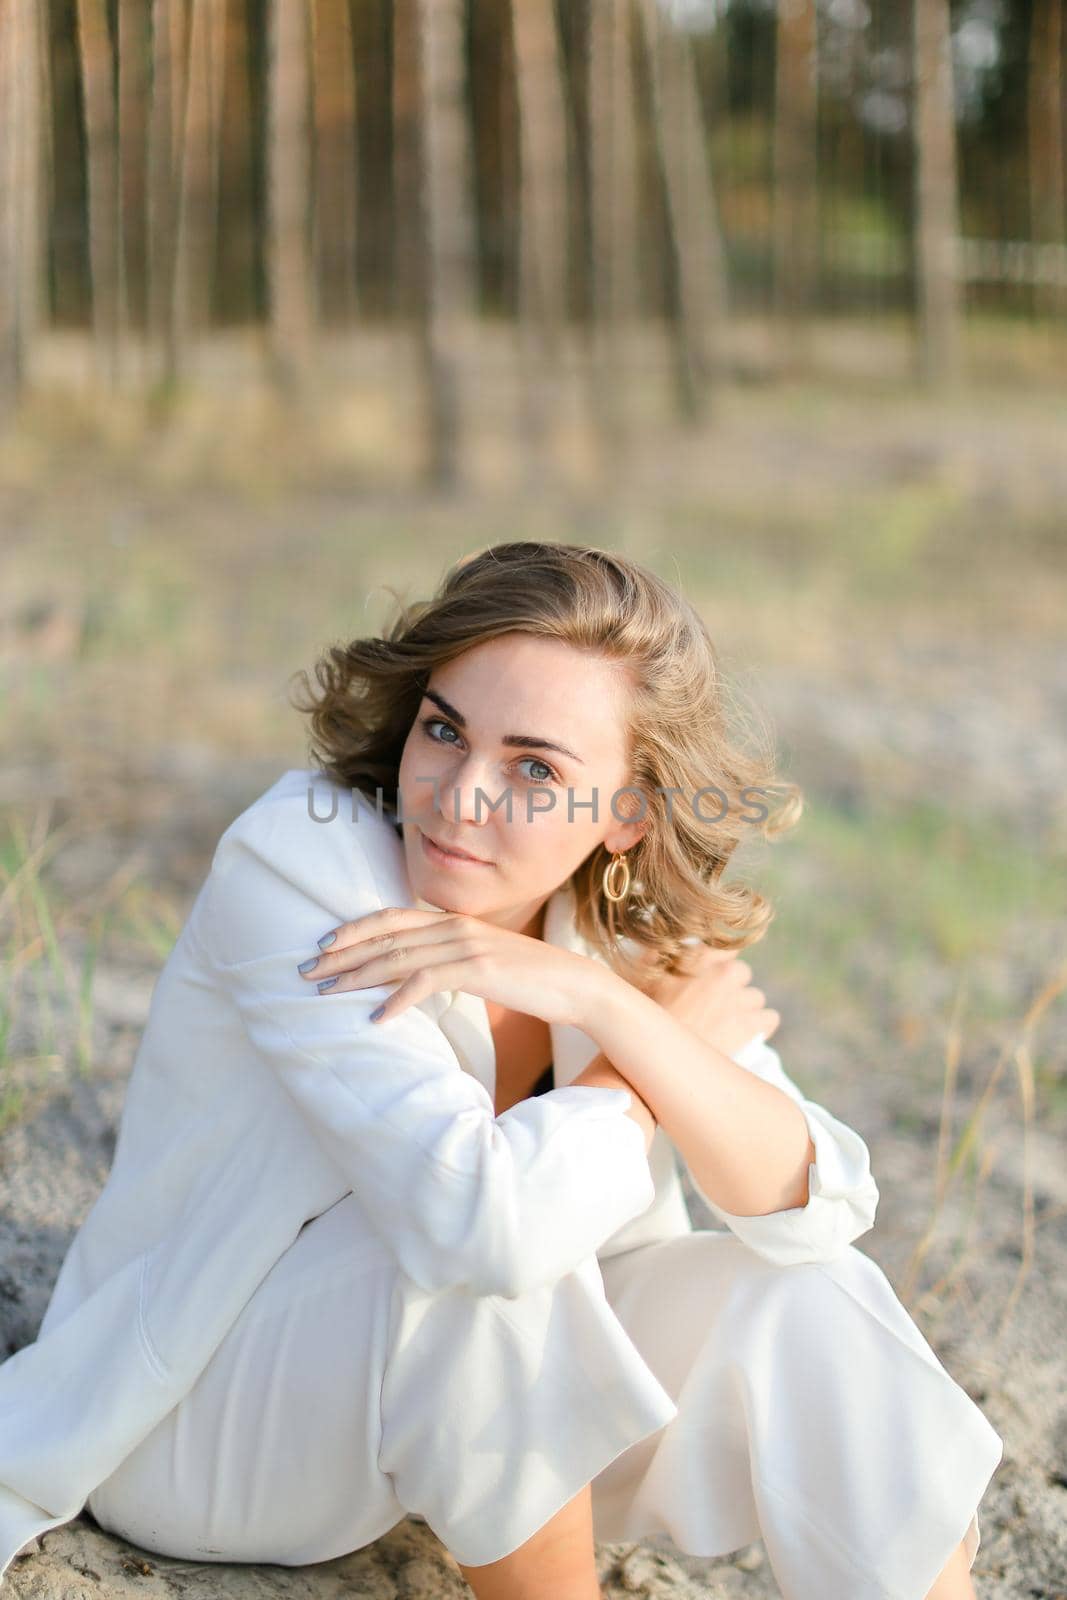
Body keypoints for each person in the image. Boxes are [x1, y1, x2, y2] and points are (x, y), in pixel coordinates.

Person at [0, 543, 1002, 1600]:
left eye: (535, 768)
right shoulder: (304, 859)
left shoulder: (616, 941)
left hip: (438, 1449)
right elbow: (476, 1228)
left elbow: (816, 1206)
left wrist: (612, 1008)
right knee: (485, 1260)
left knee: (813, 1298)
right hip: (203, 1425)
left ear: (625, 813)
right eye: (443, 729)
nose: (459, 795)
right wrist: (631, 1073)